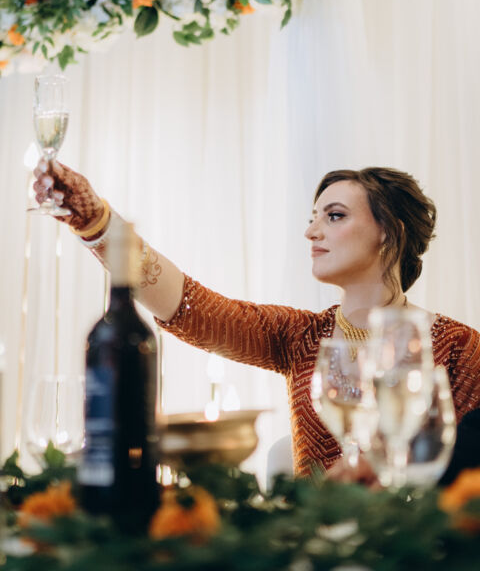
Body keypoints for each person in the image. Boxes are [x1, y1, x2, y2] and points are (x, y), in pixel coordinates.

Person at [33, 162, 480, 476]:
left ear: (389, 232)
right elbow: (194, 309)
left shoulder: (459, 348)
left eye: (334, 216)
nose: (311, 232)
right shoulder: (300, 336)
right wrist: (96, 222)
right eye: (313, 218)